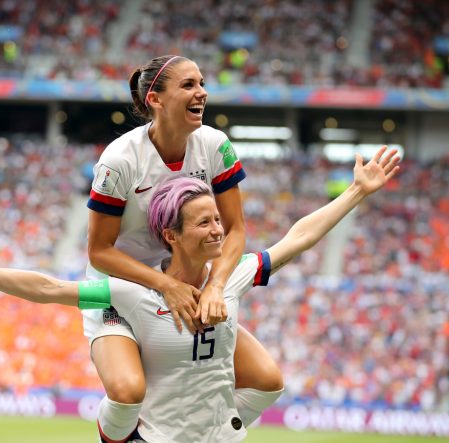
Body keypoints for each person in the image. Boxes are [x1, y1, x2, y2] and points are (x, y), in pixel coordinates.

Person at [0, 146, 401, 442]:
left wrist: (356, 193)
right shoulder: (133, 293)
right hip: (156, 437)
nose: (219, 230)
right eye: (205, 223)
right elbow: (50, 288)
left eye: (218, 219)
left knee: (269, 379)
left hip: (219, 438)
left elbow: (295, 240)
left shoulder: (227, 277)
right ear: (170, 236)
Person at [85, 54, 282, 437]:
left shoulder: (215, 145)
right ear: (155, 100)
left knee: (266, 379)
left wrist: (215, 286)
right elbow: (99, 252)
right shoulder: (119, 160)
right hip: (118, 287)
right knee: (127, 392)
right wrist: (166, 286)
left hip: (182, 284)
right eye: (189, 85)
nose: (202, 93)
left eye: (203, 83)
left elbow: (236, 230)